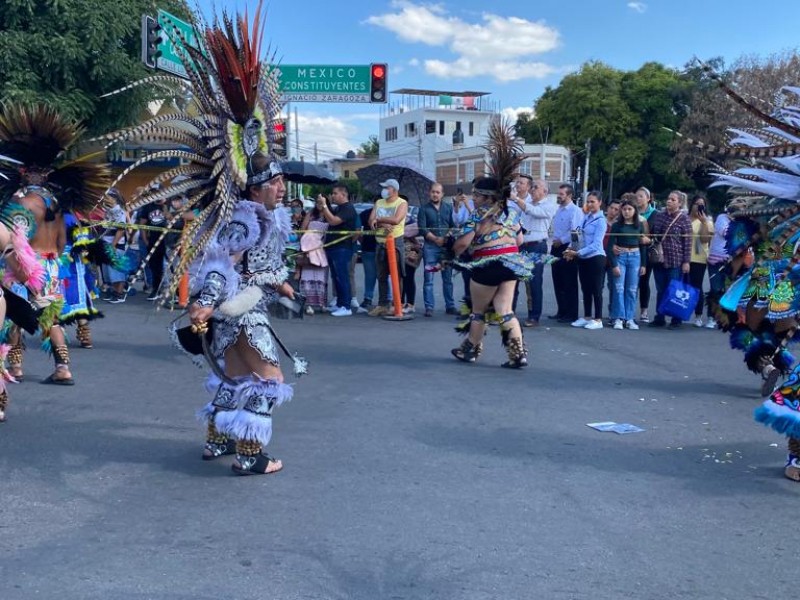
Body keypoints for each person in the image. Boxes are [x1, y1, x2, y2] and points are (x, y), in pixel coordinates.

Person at [104, 6, 308, 475]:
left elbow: (252, 262)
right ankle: (252, 457)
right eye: (275, 183)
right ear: (255, 187)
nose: (281, 189)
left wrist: (278, 281)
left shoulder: (262, 216)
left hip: (240, 306)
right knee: (269, 380)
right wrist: (208, 301)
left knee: (234, 376)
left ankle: (217, 442)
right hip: (240, 310)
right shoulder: (246, 215)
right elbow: (222, 260)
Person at [0, 104, 109, 385]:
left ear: (24, 173)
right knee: (52, 318)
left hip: (25, 266)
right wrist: (50, 263)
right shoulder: (58, 206)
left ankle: (17, 367)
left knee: (14, 317)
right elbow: (62, 245)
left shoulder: (19, 202)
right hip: (51, 265)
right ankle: (63, 368)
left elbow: (12, 241)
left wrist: (20, 267)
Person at [450, 118, 544, 368]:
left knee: (479, 311)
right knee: (505, 310)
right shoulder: (511, 213)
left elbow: (462, 244)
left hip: (488, 264)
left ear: (484, 196)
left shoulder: (478, 214)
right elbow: (520, 239)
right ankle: (518, 354)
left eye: (476, 194)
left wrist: (455, 253)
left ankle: (470, 349)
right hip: (513, 262)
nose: (473, 197)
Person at [511, 175, 556, 327]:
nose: (532, 189)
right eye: (532, 186)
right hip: (522, 245)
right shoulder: (527, 202)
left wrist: (517, 199)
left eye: (536, 187)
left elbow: (533, 211)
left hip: (537, 246)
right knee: (514, 279)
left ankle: (534, 315)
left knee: (534, 282)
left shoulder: (549, 205)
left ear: (545, 191)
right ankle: (509, 312)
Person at [648, 191, 692, 329]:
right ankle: (659, 316)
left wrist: (686, 261)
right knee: (661, 289)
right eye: (668, 199)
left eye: (673, 200)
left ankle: (676, 319)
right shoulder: (660, 216)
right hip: (659, 259)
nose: (669, 201)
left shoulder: (684, 219)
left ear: (679, 203)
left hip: (675, 260)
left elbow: (688, 241)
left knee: (675, 290)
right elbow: (654, 234)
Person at [565, 191, 607, 330]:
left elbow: (596, 244)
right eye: (588, 201)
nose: (589, 204)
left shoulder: (601, 220)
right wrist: (572, 249)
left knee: (596, 289)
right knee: (586, 288)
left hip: (596, 258)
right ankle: (587, 316)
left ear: (600, 203)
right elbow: (580, 236)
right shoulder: (586, 217)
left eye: (592, 201)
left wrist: (577, 253)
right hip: (583, 258)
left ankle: (598, 318)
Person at [368, 179, 408, 317]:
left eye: (387, 187)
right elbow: (370, 221)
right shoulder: (379, 202)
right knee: (381, 275)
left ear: (394, 189)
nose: (384, 190)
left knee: (397, 275)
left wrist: (379, 220)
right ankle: (383, 304)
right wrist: (383, 224)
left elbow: (396, 220)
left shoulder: (402, 203)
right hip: (380, 242)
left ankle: (397, 304)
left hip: (395, 242)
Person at [318, 184, 357, 317]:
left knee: (342, 277)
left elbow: (334, 221)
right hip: (332, 246)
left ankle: (346, 306)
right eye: (332, 193)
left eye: (335, 193)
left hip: (342, 247)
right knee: (336, 277)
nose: (333, 196)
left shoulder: (348, 208)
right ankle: (340, 303)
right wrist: (324, 205)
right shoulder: (339, 208)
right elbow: (328, 218)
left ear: (343, 194)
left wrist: (324, 205)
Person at [418, 182, 456, 317]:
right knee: (429, 278)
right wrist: (435, 239)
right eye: (433, 192)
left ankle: (450, 306)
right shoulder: (423, 209)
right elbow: (422, 228)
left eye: (437, 192)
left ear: (442, 194)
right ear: (429, 193)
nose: (435, 194)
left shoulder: (448, 208)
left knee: (448, 279)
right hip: (430, 247)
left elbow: (453, 226)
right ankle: (429, 307)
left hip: (446, 248)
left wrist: (445, 238)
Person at [607, 198, 646, 330]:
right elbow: (610, 246)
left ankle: (629, 318)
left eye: (630, 209)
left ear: (635, 211)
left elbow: (643, 245)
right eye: (624, 209)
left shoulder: (639, 225)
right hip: (621, 257)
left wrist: (644, 264)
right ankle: (618, 317)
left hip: (635, 256)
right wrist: (614, 265)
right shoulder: (616, 226)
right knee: (619, 288)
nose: (627, 212)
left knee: (632, 289)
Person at [548, 184, 583, 323]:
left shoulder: (575, 211)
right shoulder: (559, 210)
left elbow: (576, 232)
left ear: (569, 195)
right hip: (555, 247)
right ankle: (561, 310)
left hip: (567, 247)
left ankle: (571, 313)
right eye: (558, 193)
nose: (558, 196)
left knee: (569, 282)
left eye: (561, 194)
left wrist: (569, 249)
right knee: (558, 281)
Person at [688, 194, 714, 327]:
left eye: (701, 204)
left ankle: (698, 316)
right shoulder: (685, 219)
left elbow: (705, 239)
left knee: (696, 286)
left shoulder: (707, 222)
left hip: (699, 258)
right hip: (684, 257)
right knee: (683, 285)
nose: (698, 206)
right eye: (696, 203)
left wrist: (703, 222)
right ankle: (681, 311)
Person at [298, 206, 329, 314]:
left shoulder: (329, 214)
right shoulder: (311, 213)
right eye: (318, 201)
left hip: (322, 247)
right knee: (308, 275)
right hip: (309, 245)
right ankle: (308, 304)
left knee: (321, 277)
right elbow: (303, 229)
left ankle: (321, 303)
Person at [138, 196, 168, 301]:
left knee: (170, 266)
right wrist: (145, 239)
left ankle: (174, 291)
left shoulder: (169, 204)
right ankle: (156, 289)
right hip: (153, 240)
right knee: (155, 266)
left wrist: (166, 210)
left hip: (169, 240)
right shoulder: (148, 206)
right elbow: (142, 224)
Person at [635, 187, 656, 322]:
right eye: (636, 196)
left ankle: (644, 311)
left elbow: (658, 234)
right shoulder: (631, 211)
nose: (638, 198)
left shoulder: (655, 214)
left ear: (648, 198)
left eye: (641, 196)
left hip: (647, 252)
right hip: (631, 250)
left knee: (643, 281)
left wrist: (650, 240)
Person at [357, 201, 377, 312]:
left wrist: (363, 242)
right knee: (381, 277)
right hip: (371, 249)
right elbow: (358, 230)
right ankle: (386, 300)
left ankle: (368, 299)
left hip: (370, 248)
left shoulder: (365, 213)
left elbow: (358, 231)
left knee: (371, 277)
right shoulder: (366, 214)